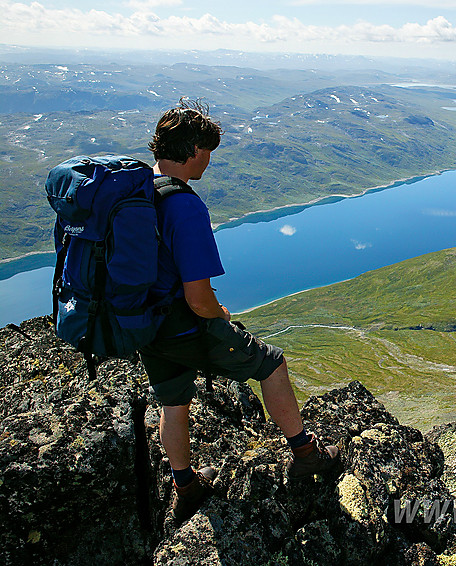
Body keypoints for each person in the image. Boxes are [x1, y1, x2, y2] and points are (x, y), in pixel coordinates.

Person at [139, 99, 340, 523]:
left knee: (173, 404)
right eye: (207, 151)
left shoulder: (137, 194)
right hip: (184, 325)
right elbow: (198, 297)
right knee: (271, 364)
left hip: (146, 325)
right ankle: (306, 455)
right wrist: (221, 316)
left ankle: (186, 487)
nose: (209, 161)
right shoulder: (184, 206)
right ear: (193, 149)